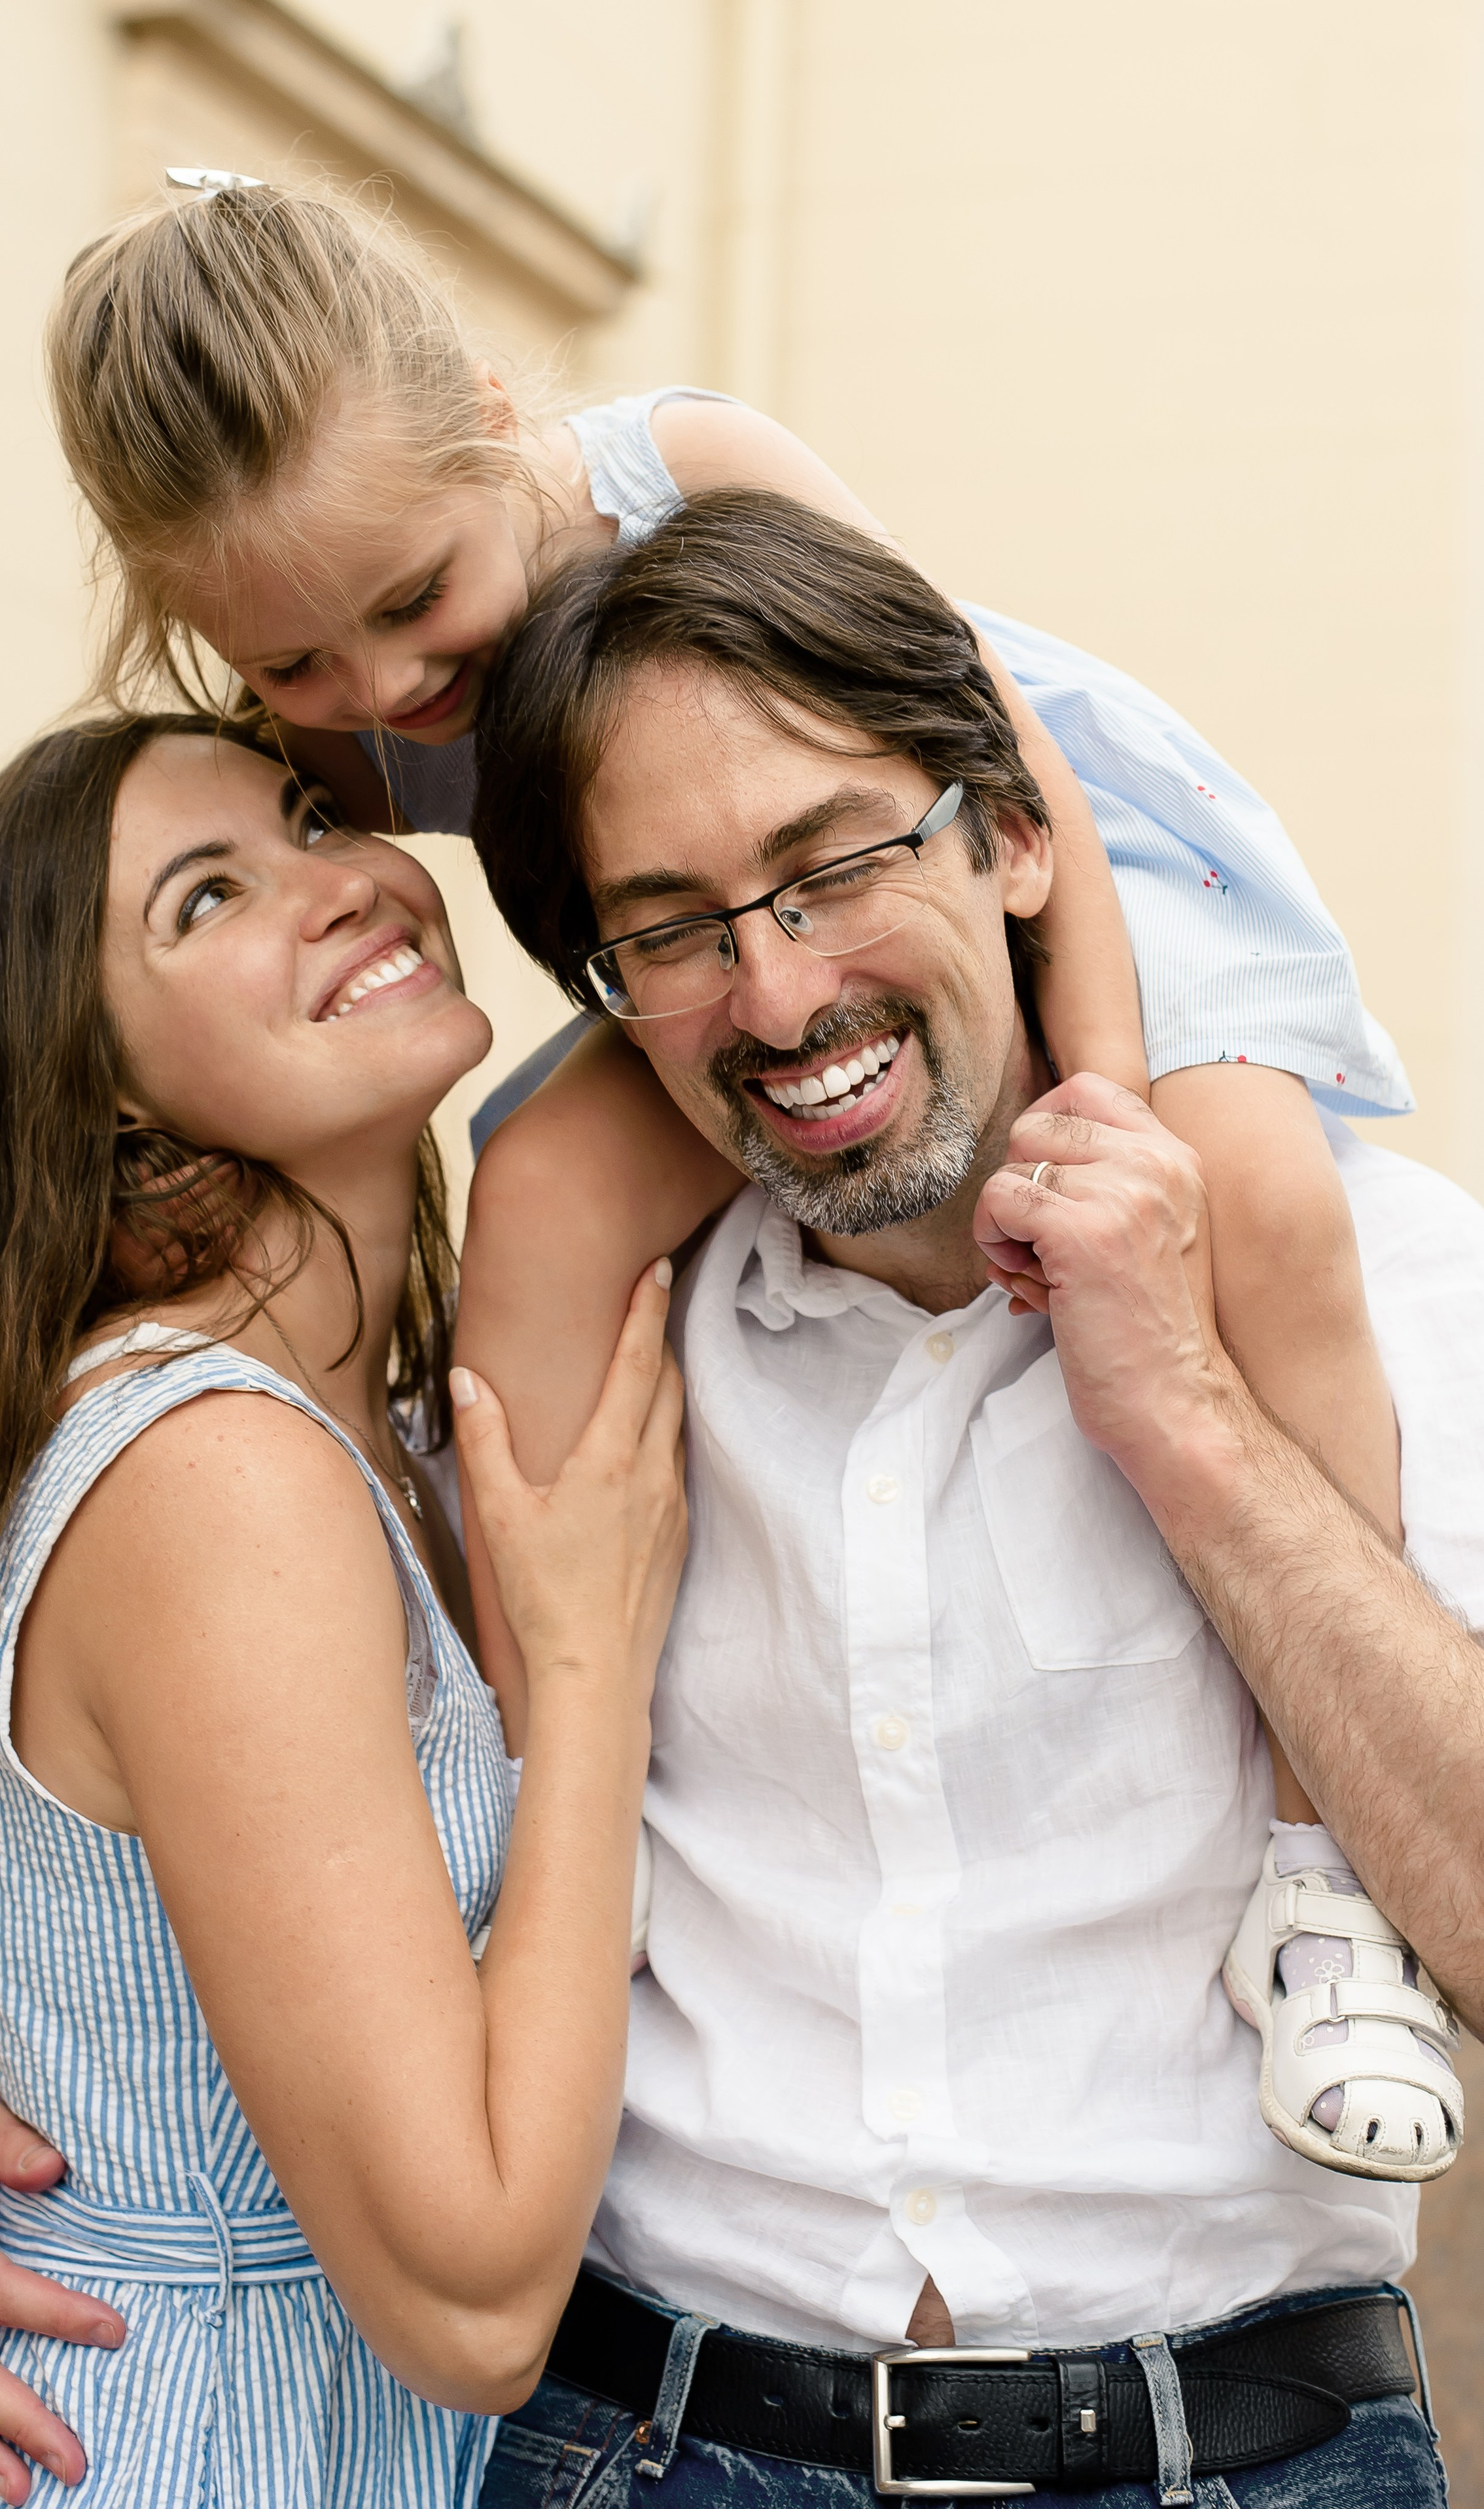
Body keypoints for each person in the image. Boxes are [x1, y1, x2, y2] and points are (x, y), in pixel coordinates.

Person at [44, 171, 1418, 2112]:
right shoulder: (331, 683)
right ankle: (538, 1843)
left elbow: (988, 751)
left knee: (1252, 1184)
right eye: (294, 672)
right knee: (536, 1189)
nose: (375, 696)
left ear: (499, 424)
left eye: (414, 604)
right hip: (714, 964)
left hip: (986, 878)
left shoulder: (692, 460)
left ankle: (1325, 1887)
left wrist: (1103, 1103)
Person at [460, 493, 1473, 2506]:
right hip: (647, 2440)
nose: (771, 992)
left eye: (832, 863)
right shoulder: (591, 1348)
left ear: (1014, 833)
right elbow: (334, 1804)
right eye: (668, 926)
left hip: (1245, 2452)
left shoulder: (1373, 1275)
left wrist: (1183, 1409)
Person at [0, 713, 684, 2507]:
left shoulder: (367, 1436)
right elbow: (472, 2300)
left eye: (308, 819)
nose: (343, 879)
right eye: (207, 896)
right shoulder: (219, 1478)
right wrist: (590, 1661)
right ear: (105, 1094)